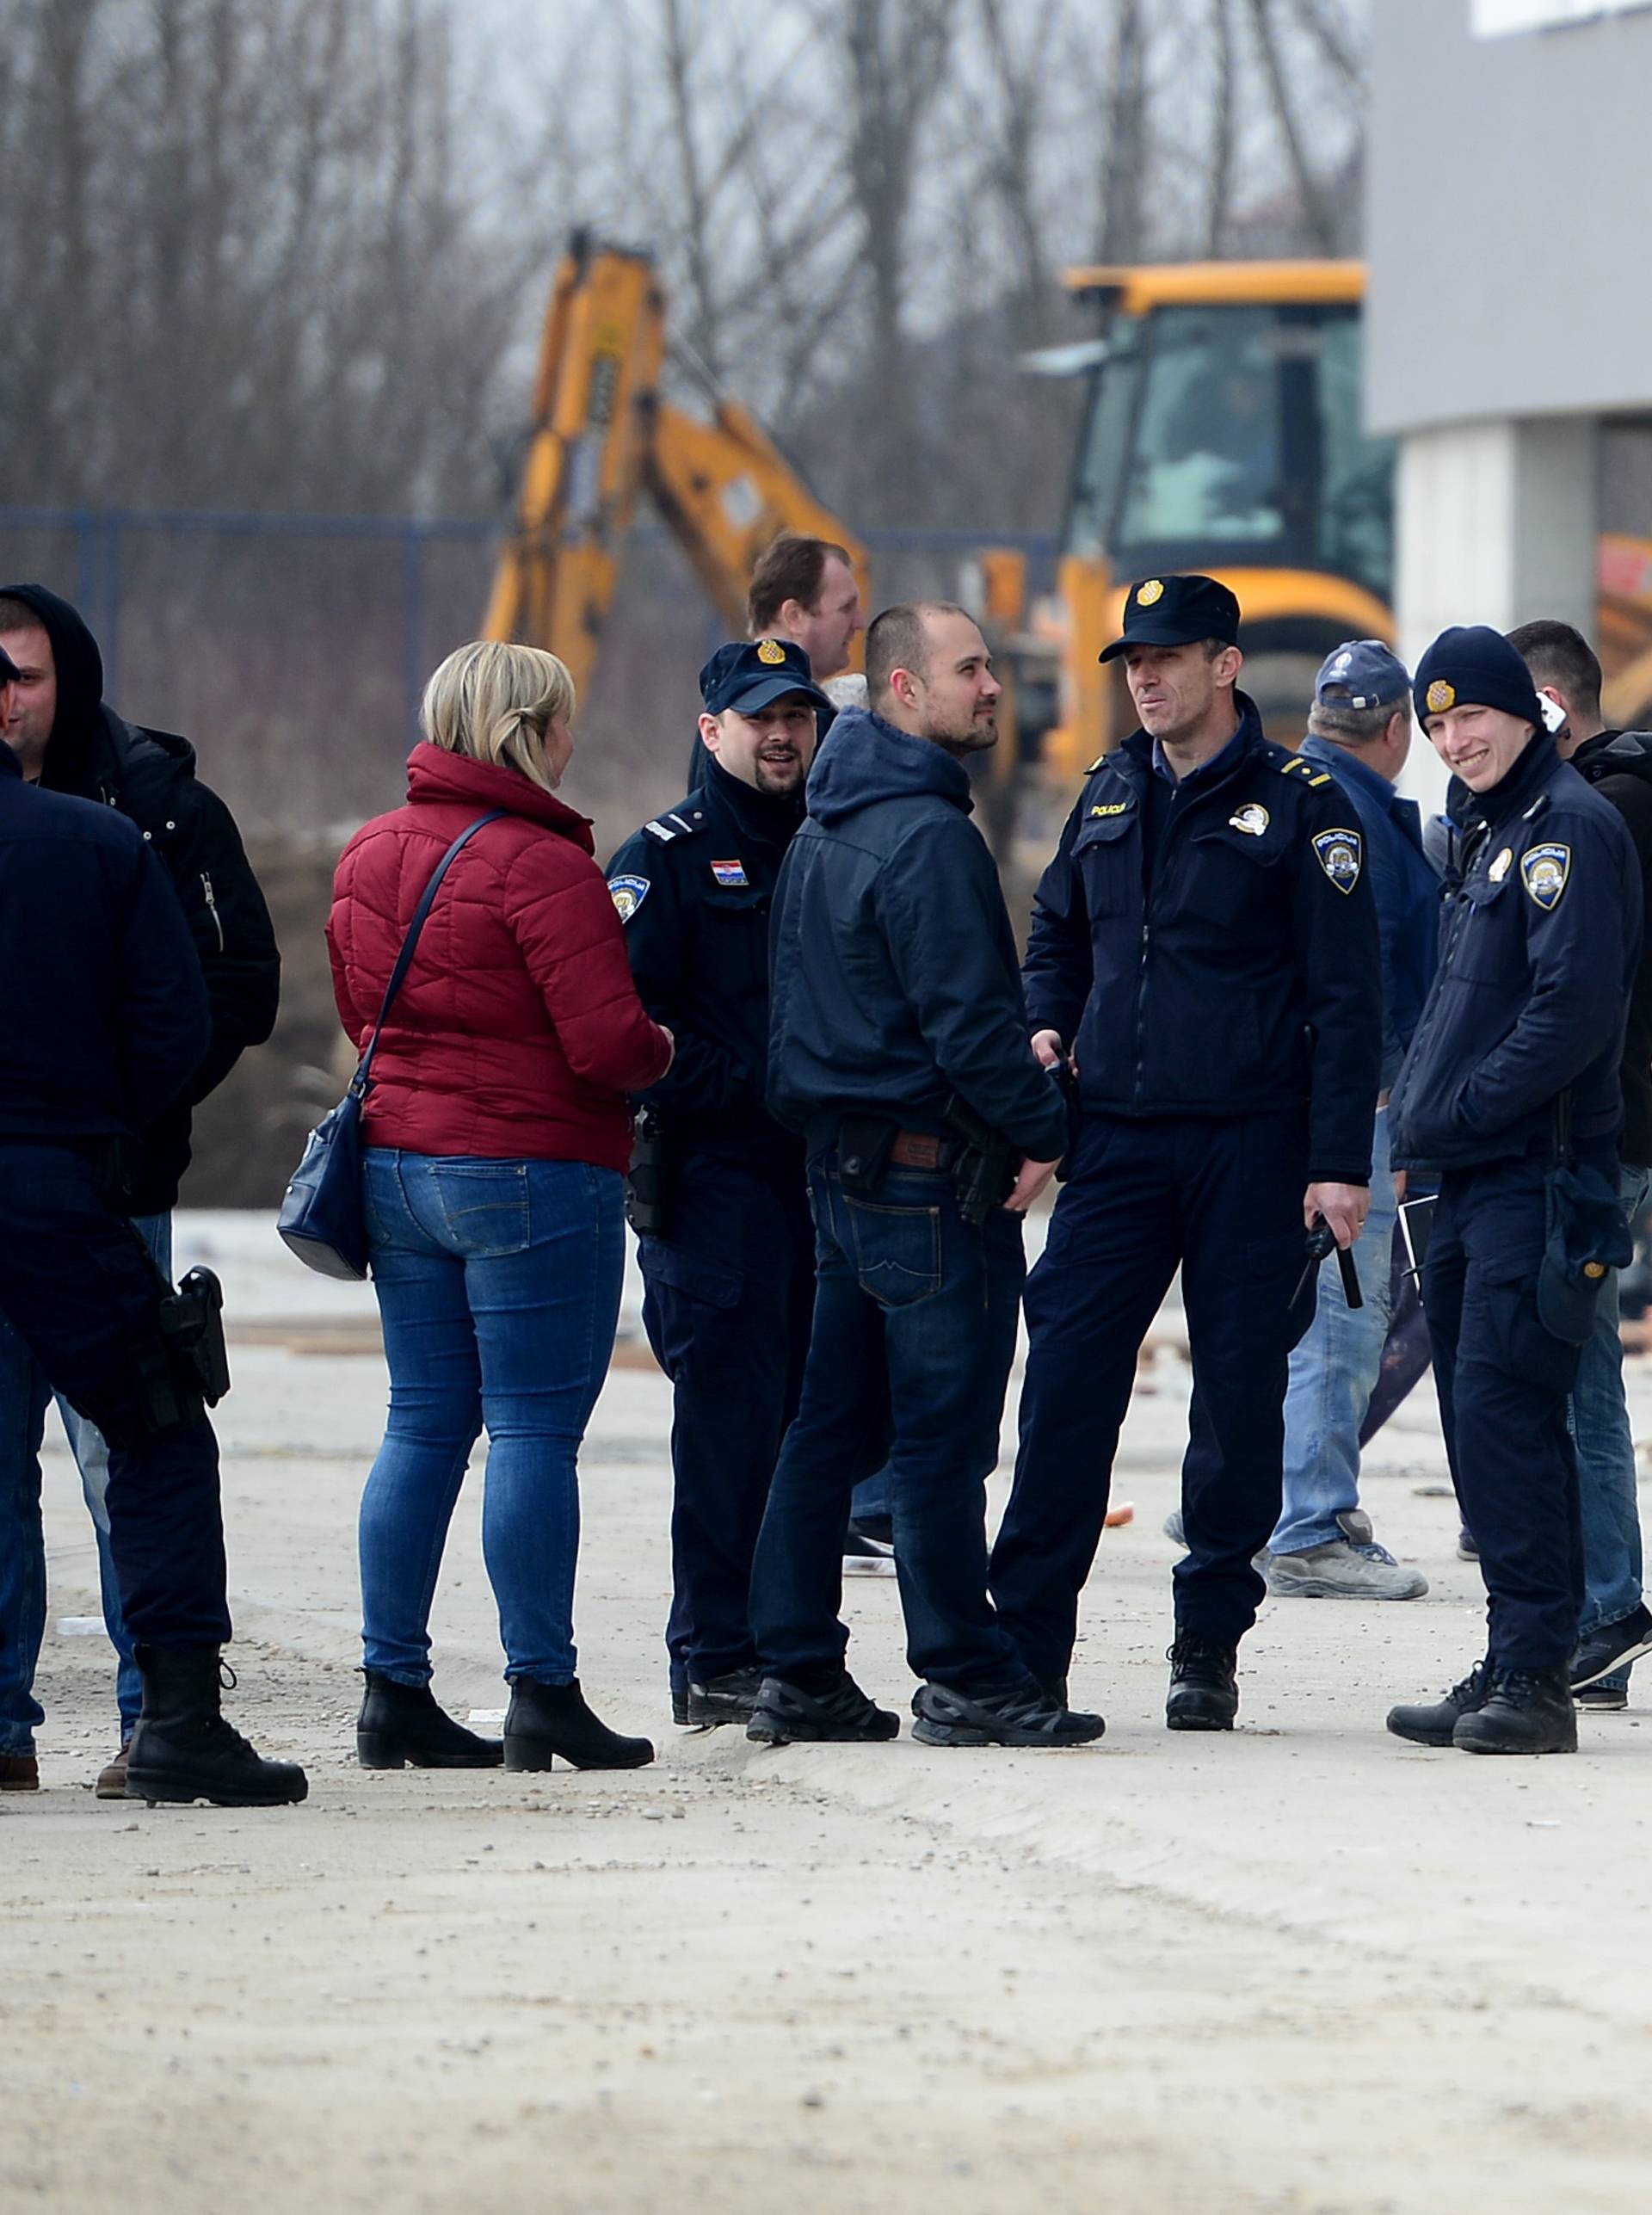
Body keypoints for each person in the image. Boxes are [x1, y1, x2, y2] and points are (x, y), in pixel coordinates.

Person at [989, 574, 1382, 1731]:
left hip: (1252, 1148)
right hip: (1113, 1142)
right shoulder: (1108, 789)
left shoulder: (1304, 805)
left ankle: (1208, 1634)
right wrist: (1045, 1021)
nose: (1144, 677)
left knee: (1240, 1410)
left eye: (1166, 658)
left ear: (1224, 665)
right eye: (1132, 662)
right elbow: (1055, 928)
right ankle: (1028, 1647)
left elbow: (1348, 999)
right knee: (1063, 1389)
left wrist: (1337, 1161)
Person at [746, 602, 1100, 1749]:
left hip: (845, 1179)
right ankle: (965, 1674)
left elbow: (822, 1015)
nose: (992, 685)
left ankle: (796, 1668)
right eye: (970, 669)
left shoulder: (822, 826)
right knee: (940, 1441)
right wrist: (1044, 1119)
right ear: (904, 690)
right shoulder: (928, 836)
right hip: (928, 1185)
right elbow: (966, 1031)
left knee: (828, 1427)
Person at [327, 642, 674, 1773]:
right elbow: (609, 1044)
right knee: (530, 1429)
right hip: (530, 1172)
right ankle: (541, 1690)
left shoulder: (369, 851)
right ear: (534, 729)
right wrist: (673, 1046)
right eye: (565, 719)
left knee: (421, 1420)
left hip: (395, 1169)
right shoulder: (543, 863)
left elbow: (356, 1013)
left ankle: (392, 1691)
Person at [0, 642, 304, 1806]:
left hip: (56, 1170)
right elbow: (178, 1022)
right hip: (63, 1186)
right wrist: (96, 1125)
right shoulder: (95, 843)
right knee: (157, 1427)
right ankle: (176, 1716)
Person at [1387, 626, 1640, 1756]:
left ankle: (1538, 1675)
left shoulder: (1567, 829)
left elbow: (1571, 1014)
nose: (1455, 738)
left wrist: (1462, 1105)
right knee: (1476, 1421)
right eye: (1438, 725)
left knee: (1511, 1413)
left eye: (1471, 716)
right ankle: (1508, 1651)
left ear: (1528, 710)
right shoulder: (1494, 831)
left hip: (1531, 1171)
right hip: (1470, 1169)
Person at [606, 639, 836, 1727]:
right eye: (759, 719)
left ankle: (786, 1643)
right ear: (712, 732)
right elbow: (625, 1034)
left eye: (797, 714)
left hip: (820, 1186)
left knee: (812, 1422)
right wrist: (751, 1086)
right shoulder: (666, 859)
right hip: (714, 1183)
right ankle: (712, 1654)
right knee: (729, 1429)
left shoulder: (835, 843)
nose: (783, 734)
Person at [1263, 640, 1439, 1600]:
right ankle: (1309, 1526)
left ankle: (1273, 1498)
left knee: (1287, 1317)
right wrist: (1386, 1117)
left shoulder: (1297, 791)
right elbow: (1362, 984)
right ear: (1397, 727)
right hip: (1347, 1111)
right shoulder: (1353, 819)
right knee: (1341, 1321)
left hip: (1286, 1107)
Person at [1508, 620, 1652, 1707]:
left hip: (1602, 1133)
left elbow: (1578, 998)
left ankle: (1604, 1608)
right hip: (1622, 1125)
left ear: (1551, 706)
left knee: (1575, 1377)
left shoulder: (1597, 817)